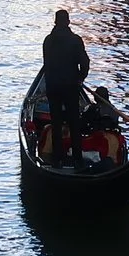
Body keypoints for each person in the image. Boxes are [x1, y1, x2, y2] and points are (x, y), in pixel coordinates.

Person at [41, 9, 88, 165]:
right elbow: (85, 63)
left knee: (56, 122)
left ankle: (57, 159)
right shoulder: (75, 40)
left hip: (53, 86)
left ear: (55, 22)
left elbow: (46, 65)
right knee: (74, 122)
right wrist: (80, 78)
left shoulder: (47, 40)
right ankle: (77, 160)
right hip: (70, 86)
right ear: (68, 22)